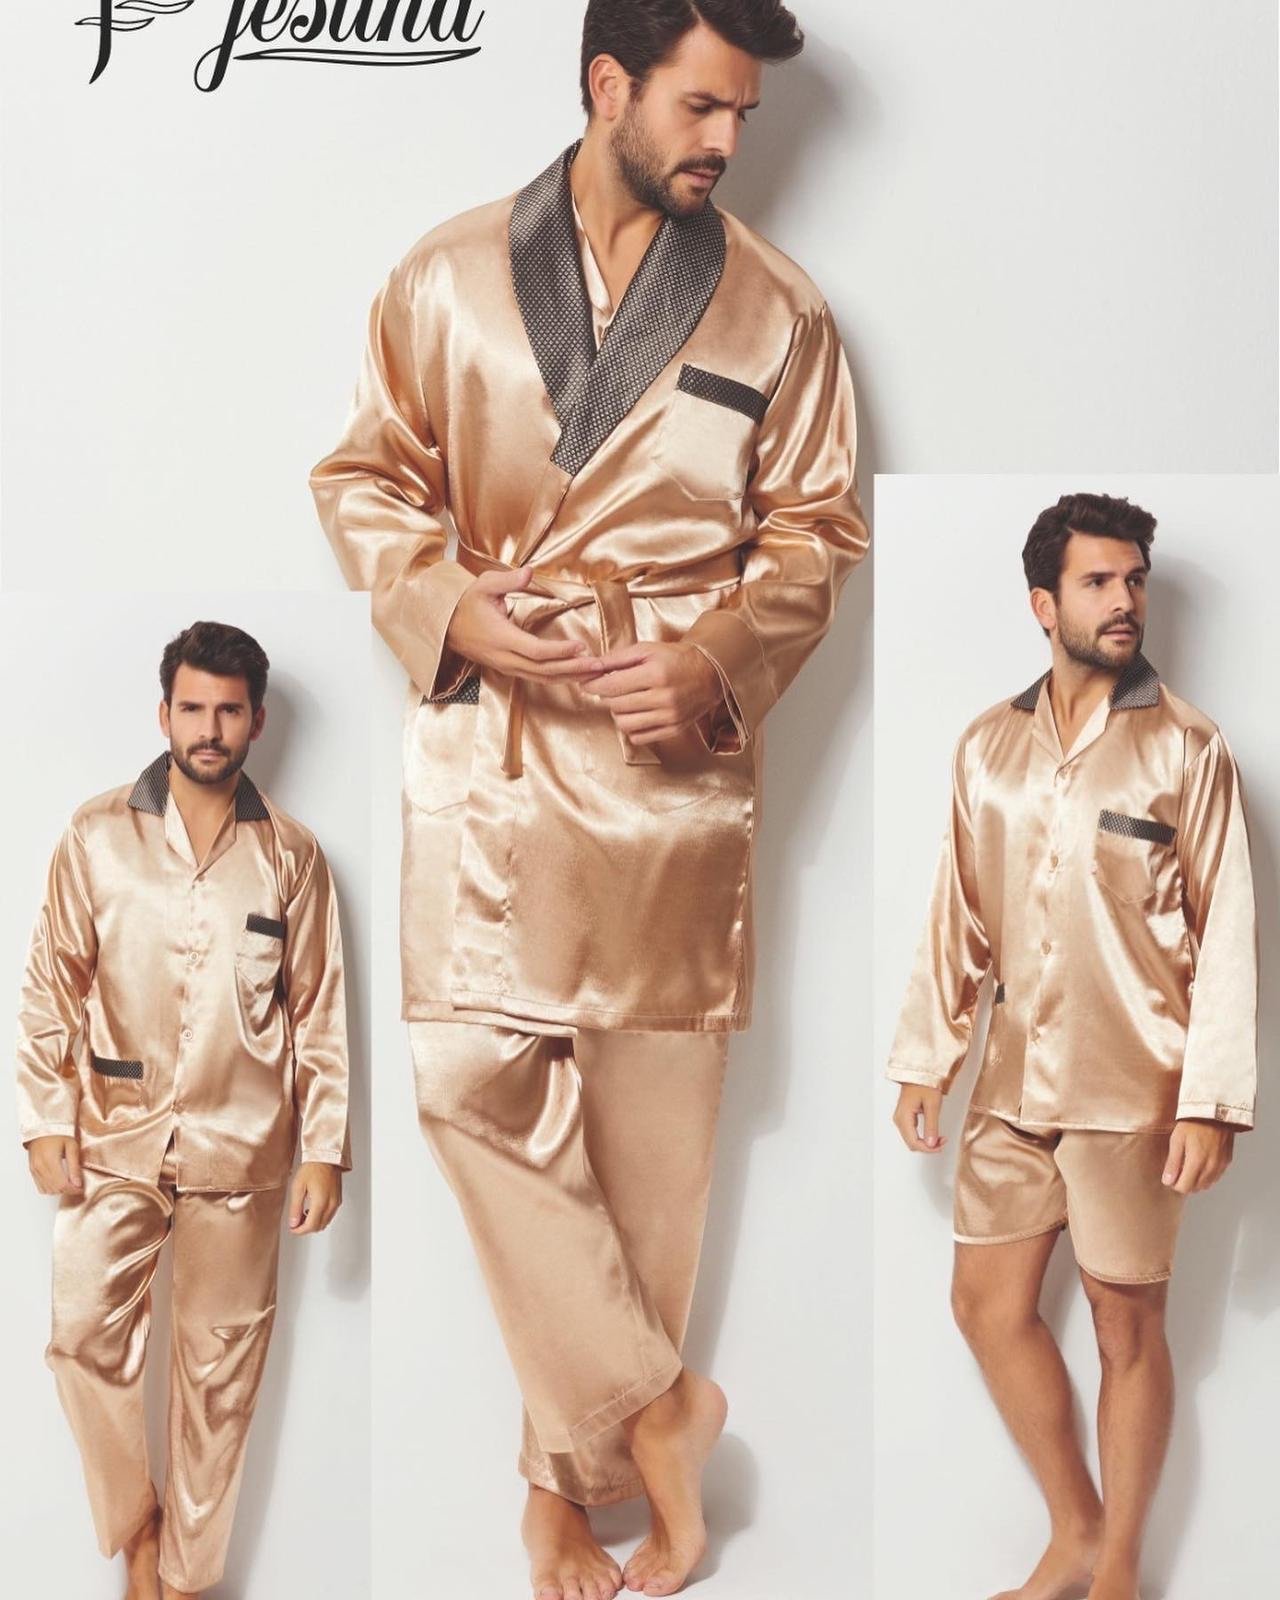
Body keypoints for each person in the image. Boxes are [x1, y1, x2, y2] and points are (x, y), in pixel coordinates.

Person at [311, 1, 868, 1593]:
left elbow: (816, 537)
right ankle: (660, 1412)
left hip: (663, 769)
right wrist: (445, 604)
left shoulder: (777, 311)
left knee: (644, 1159)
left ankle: (565, 1492)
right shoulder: (445, 276)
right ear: (608, 84)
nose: (727, 141)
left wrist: (716, 661)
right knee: (465, 1087)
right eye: (703, 106)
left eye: (745, 116)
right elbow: (363, 477)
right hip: (491, 734)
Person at [887, 494, 1257, 1600]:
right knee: (984, 1306)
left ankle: (1119, 1574)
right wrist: (927, 1056)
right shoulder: (986, 744)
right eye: (1098, 582)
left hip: (1132, 1092)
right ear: (1042, 604)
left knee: (1124, 1326)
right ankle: (1077, 1530)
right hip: (1010, 1085)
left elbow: (1228, 932)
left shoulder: (1187, 745)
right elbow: (958, 909)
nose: (1123, 600)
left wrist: (1210, 1101)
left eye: (1134, 579)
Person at [17, 620, 351, 1600]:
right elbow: (50, 985)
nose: (209, 729)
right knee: (81, 1340)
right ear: (163, 713)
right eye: (193, 708)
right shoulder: (96, 834)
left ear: (257, 721)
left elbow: (319, 1010)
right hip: (112, 1135)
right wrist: (46, 1117)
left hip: (244, 1151)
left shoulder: (291, 854)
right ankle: (139, 1528)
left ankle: (186, 1581)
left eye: (228, 711)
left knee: (219, 1375)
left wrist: (324, 1147)